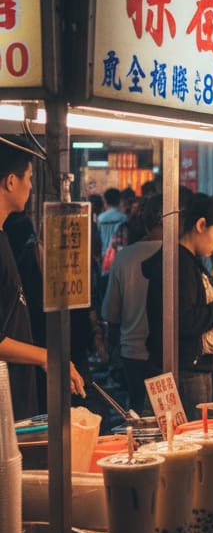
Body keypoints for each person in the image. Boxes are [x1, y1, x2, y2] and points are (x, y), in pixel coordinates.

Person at [142, 194, 213, 419]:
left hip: (191, 368)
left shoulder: (187, 261)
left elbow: (198, 315)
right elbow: (186, 321)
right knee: (189, 435)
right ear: (201, 225)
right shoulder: (180, 264)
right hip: (185, 372)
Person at [0, 140, 85, 418]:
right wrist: (48, 357)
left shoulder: (4, 237)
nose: (31, 187)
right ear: (11, 181)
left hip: (15, 398)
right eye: (29, 178)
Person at [101, 194, 163, 414]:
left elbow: (111, 313)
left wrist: (111, 346)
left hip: (133, 352)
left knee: (137, 412)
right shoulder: (177, 254)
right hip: (169, 351)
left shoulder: (125, 256)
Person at [96, 187, 126, 265]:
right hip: (119, 257)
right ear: (119, 200)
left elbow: (97, 239)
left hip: (103, 256)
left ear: (105, 201)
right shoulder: (123, 218)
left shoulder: (100, 218)